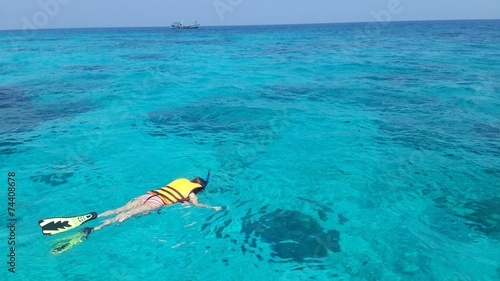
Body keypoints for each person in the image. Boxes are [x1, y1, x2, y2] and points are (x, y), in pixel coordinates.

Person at [91, 171, 221, 232]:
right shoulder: (192, 193)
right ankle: (95, 229)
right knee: (126, 215)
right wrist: (212, 207)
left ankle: (96, 216)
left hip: (147, 196)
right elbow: (197, 205)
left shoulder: (181, 181)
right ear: (199, 188)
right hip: (156, 203)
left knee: (119, 210)